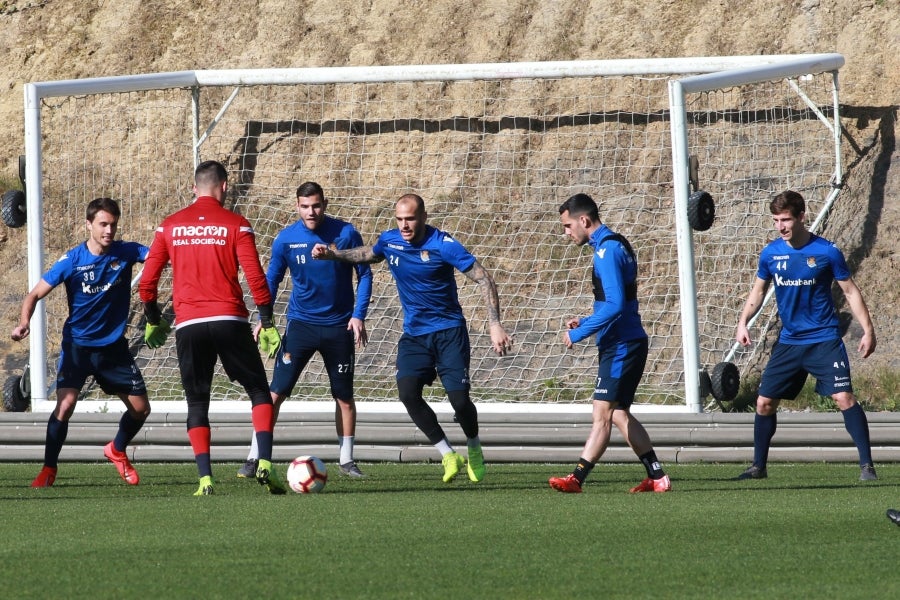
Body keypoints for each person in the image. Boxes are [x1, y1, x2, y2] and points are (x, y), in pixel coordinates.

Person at [312, 193, 512, 483]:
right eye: (400, 219)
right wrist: (334, 255)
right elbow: (368, 253)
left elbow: (484, 278)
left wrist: (495, 324)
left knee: (459, 401)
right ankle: (448, 454)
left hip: (448, 333)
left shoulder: (444, 245)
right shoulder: (390, 240)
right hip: (415, 335)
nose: (404, 225)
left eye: (410, 219)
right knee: (407, 393)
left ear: (423, 218)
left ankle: (473, 445)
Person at [138, 159, 286, 496]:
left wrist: (153, 319)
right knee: (259, 391)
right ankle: (264, 461)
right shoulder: (237, 224)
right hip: (230, 319)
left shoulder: (169, 226)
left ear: (194, 188)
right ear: (224, 186)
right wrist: (267, 321)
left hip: (189, 323)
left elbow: (147, 282)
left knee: (196, 402)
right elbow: (255, 277)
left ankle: (205, 479)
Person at [735, 190, 877, 482]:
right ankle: (758, 467)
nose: (780, 226)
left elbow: (850, 291)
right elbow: (758, 292)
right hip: (789, 342)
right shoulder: (771, 253)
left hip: (824, 339)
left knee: (843, 397)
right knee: (763, 403)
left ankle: (867, 466)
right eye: (775, 220)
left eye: (785, 219)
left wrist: (868, 330)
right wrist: (743, 322)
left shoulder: (826, 252)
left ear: (801, 217)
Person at [237, 181, 373, 479]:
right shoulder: (286, 239)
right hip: (301, 326)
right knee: (275, 393)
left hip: (339, 328)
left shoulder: (346, 233)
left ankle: (347, 460)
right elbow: (271, 279)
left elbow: (365, 274)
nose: (311, 212)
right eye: (305, 206)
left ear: (324, 204)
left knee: (344, 396)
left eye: (316, 205)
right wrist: (264, 316)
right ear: (297, 206)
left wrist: (358, 315)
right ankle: (254, 455)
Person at [12, 197, 151, 488]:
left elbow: (158, 256)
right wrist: (24, 322)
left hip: (113, 349)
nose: (108, 230)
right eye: (103, 224)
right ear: (88, 225)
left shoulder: (126, 252)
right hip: (78, 346)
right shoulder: (72, 261)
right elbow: (34, 294)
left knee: (141, 409)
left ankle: (116, 449)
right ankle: (49, 469)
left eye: (112, 224)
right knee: (66, 404)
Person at [548, 193, 671, 494]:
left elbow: (616, 305)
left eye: (567, 226)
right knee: (618, 414)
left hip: (622, 345)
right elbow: (615, 303)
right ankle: (658, 477)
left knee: (602, 414)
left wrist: (579, 333)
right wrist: (587, 319)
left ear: (584, 220)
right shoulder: (615, 244)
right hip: (625, 340)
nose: (566, 233)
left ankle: (576, 478)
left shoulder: (606, 252)